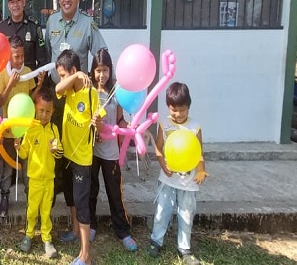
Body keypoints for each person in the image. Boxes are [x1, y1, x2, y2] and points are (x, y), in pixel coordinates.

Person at [148, 82, 207, 265]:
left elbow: (199, 153)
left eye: (182, 110)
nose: (178, 114)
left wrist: (201, 170)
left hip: (188, 182)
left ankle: (184, 248)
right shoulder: (164, 124)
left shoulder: (195, 126)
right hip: (167, 179)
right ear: (168, 107)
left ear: (188, 107)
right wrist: (162, 164)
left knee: (186, 214)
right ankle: (156, 241)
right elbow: (158, 149)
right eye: (174, 110)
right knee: (162, 210)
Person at [88, 49, 138, 251]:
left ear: (111, 71)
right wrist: (94, 127)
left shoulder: (117, 92)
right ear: (93, 71)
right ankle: (90, 226)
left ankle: (123, 231)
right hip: (91, 151)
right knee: (91, 192)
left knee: (114, 193)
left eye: (105, 70)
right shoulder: (89, 91)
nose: (102, 75)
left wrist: (130, 126)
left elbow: (119, 120)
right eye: (98, 70)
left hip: (111, 152)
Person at [55, 49, 100, 265]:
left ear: (74, 70)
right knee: (71, 198)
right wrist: (73, 77)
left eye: (64, 74)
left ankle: (86, 256)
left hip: (82, 160)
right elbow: (57, 87)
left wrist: (97, 124)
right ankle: (74, 231)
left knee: (82, 206)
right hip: (67, 155)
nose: (62, 79)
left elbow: (98, 121)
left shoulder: (91, 94)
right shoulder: (68, 90)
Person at [0, 35, 44, 217]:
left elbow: (29, 100)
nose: (20, 60)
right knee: (7, 168)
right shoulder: (2, 74)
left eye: (22, 56)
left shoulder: (28, 71)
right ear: (9, 55)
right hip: (9, 132)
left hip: (26, 131)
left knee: (27, 167)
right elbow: (0, 101)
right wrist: (10, 85)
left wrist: (39, 86)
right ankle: (4, 197)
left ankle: (30, 200)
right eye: (16, 56)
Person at [14, 88, 62, 259]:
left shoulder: (54, 130)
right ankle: (28, 234)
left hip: (49, 179)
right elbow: (25, 153)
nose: (44, 114)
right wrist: (19, 147)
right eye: (41, 110)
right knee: (32, 209)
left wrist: (55, 149)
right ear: (35, 109)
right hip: (34, 179)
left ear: (52, 111)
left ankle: (47, 239)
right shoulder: (30, 130)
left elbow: (59, 153)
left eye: (47, 111)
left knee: (46, 210)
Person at [45, 0, 107, 84]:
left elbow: (101, 53)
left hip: (79, 90)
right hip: (56, 87)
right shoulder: (52, 20)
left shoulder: (87, 23)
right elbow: (47, 52)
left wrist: (101, 80)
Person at [0, 0, 47, 70]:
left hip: (29, 79)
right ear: (8, 6)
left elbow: (42, 60)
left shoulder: (34, 27)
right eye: (12, 2)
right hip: (8, 79)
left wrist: (39, 81)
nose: (15, 5)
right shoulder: (2, 28)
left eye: (18, 1)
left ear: (24, 2)